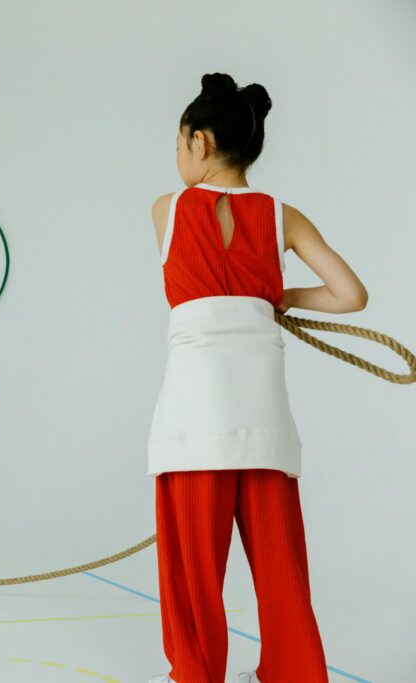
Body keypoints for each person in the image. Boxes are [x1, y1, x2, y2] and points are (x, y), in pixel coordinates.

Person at [146, 73, 367, 683]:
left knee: (193, 569)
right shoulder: (282, 216)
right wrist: (278, 295)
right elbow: (351, 295)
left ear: (202, 141)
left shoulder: (167, 210)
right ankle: (294, 674)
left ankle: (196, 676)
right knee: (281, 566)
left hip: (193, 423)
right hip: (265, 422)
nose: (175, 155)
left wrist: (257, 294)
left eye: (178, 143)